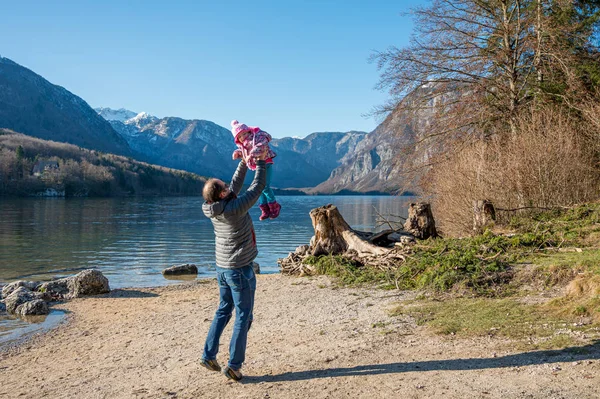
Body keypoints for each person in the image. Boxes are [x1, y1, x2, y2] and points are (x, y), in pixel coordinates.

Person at [200, 153, 267, 381]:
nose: (229, 186)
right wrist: (261, 162)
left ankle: (208, 355)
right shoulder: (234, 208)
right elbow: (257, 187)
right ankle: (234, 365)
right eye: (225, 187)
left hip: (223, 268)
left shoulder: (215, 207)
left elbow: (235, 184)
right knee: (243, 316)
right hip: (240, 269)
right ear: (221, 194)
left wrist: (244, 161)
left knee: (223, 310)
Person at [230, 120, 281, 221]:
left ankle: (274, 206)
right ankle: (265, 209)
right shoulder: (244, 144)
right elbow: (243, 150)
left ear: (248, 131)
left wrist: (251, 154)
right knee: (259, 187)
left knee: (265, 186)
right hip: (258, 165)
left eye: (244, 133)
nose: (243, 136)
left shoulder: (257, 137)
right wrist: (238, 153)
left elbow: (261, 145)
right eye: (240, 136)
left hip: (266, 162)